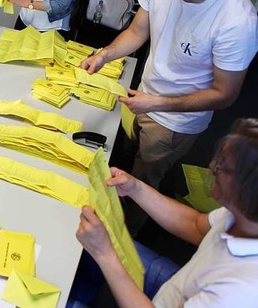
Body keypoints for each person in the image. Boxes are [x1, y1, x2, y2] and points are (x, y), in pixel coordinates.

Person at [80, 0, 258, 234]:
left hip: (174, 122)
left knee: (143, 185)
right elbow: (138, 30)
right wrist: (105, 54)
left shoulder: (237, 20)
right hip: (142, 98)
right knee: (124, 159)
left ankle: (123, 238)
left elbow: (225, 93)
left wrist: (157, 104)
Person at [73, 118, 258, 307]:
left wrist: (105, 254)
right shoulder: (242, 214)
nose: (211, 166)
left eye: (222, 165)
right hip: (179, 287)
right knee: (84, 248)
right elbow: (195, 225)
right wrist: (136, 189)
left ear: (247, 189)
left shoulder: (237, 293)